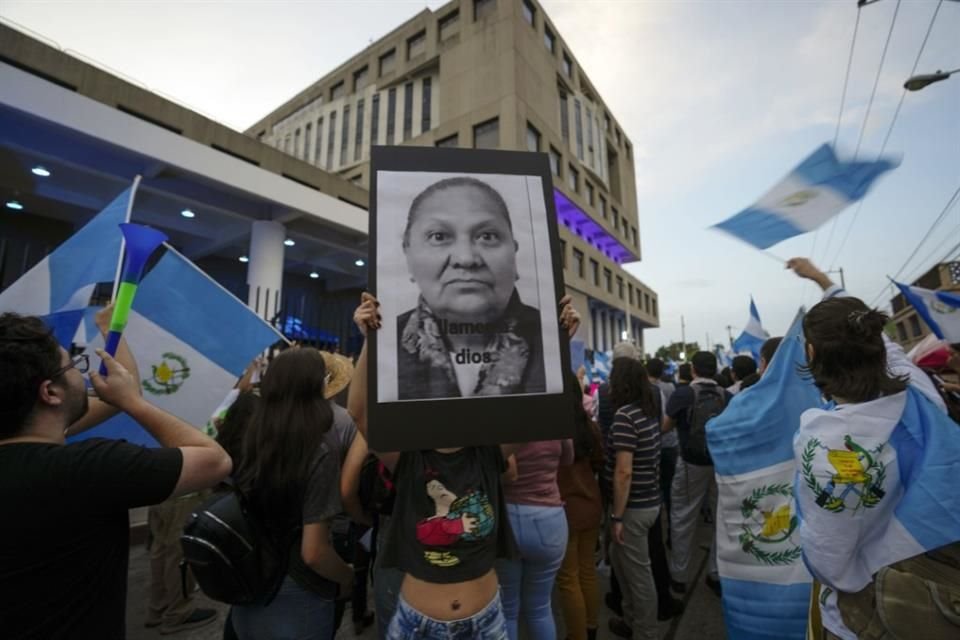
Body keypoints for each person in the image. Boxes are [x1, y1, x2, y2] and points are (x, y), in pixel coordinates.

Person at [348, 291, 580, 639]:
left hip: (486, 624)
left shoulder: (488, 455)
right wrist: (370, 341)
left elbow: (544, 416)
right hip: (416, 626)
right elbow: (361, 415)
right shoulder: (410, 460)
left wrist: (556, 341)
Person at [0, 312, 232, 639]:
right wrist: (136, 404)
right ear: (50, 392)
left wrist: (113, 330)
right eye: (73, 367)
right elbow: (215, 460)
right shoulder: (89, 468)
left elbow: (115, 396)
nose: (82, 375)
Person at [787, 257, 959, 640]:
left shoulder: (827, 442)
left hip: (867, 619)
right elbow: (885, 345)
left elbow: (830, 561)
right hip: (937, 596)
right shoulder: (919, 389)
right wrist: (822, 280)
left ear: (811, 355)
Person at [230, 348, 354, 640]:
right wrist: (347, 577)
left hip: (250, 577)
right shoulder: (319, 450)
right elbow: (314, 552)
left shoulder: (252, 436)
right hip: (297, 591)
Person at [396, 177, 544, 400]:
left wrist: (562, 338)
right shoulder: (385, 343)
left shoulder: (549, 339)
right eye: (439, 236)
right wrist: (370, 340)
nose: (465, 259)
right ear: (408, 253)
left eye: (487, 236)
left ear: (514, 252)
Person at [663, 351, 731, 597]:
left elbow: (665, 426)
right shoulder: (727, 395)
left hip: (690, 463)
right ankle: (715, 572)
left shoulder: (684, 394)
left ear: (693, 369)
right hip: (719, 464)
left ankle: (679, 575)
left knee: (683, 517)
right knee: (720, 518)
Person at [496, 431, 573, 639]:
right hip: (549, 521)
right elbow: (568, 458)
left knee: (508, 609)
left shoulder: (501, 420)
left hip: (508, 517)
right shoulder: (552, 419)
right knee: (540, 606)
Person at [607, 358, 663, 640]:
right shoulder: (648, 410)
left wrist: (617, 516)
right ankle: (631, 622)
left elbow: (624, 471)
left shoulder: (625, 416)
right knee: (624, 567)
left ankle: (646, 633)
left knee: (639, 577)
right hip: (650, 499)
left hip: (633, 508)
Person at [556, 373, 605, 640]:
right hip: (591, 505)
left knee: (567, 578)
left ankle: (576, 635)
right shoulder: (590, 426)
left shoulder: (554, 430)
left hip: (566, 510)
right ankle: (591, 626)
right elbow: (599, 463)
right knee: (587, 571)